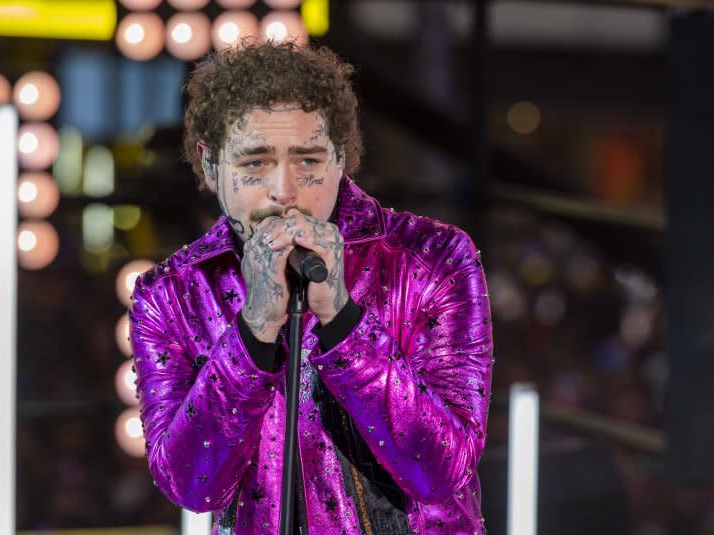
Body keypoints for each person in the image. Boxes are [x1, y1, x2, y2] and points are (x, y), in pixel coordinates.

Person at [129, 41, 494, 535]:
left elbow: (441, 469)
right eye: (255, 163)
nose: (284, 190)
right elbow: (191, 485)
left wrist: (342, 320)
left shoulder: (434, 258)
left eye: (307, 161)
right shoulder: (172, 294)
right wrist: (254, 330)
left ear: (340, 158)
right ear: (210, 165)